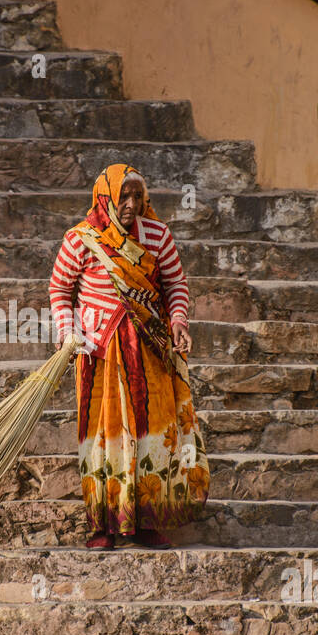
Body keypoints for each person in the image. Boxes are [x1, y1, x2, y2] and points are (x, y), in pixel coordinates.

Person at [48, 162, 210, 550]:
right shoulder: (81, 240)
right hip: (99, 355)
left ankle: (148, 522)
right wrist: (68, 333)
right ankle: (104, 526)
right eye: (124, 195)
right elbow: (59, 289)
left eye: (138, 196)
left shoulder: (157, 235)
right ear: (105, 197)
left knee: (151, 435)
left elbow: (175, 285)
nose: (132, 203)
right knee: (104, 437)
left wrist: (179, 322)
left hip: (149, 352)